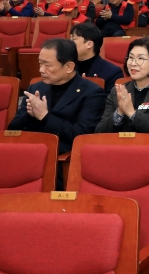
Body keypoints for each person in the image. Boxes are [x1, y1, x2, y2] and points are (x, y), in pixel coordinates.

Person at [8, 38, 106, 188]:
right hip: (29, 157)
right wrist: (30, 116)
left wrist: (45, 117)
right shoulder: (36, 88)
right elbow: (12, 129)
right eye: (40, 63)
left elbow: (82, 135)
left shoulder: (92, 93)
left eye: (47, 65)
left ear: (69, 67)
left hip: (63, 162)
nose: (41, 70)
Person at [96, 37, 149, 135]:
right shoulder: (118, 91)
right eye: (131, 57)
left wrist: (132, 113)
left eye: (140, 58)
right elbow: (100, 131)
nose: (133, 63)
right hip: (119, 144)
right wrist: (119, 113)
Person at [70, 23, 124, 97]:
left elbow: (109, 102)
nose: (68, 43)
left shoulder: (112, 72)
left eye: (73, 39)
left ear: (89, 44)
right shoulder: (65, 66)